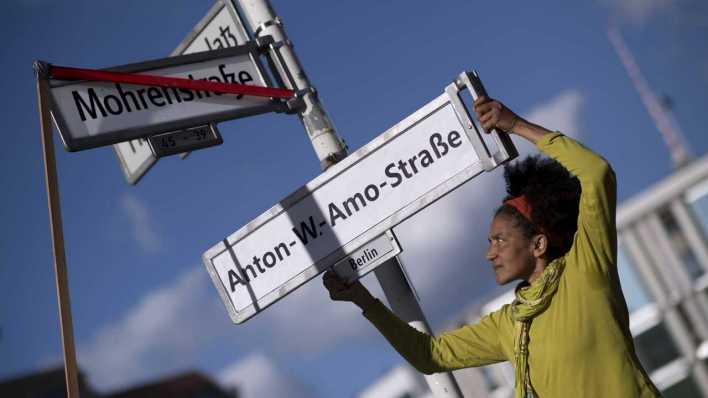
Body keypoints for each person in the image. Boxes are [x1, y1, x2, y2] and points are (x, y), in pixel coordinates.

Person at [322, 96, 661, 397]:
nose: (489, 253)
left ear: (538, 244)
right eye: (489, 243)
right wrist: (361, 298)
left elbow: (596, 173)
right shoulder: (507, 324)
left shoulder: (586, 271)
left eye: (499, 240)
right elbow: (430, 355)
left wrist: (515, 125)